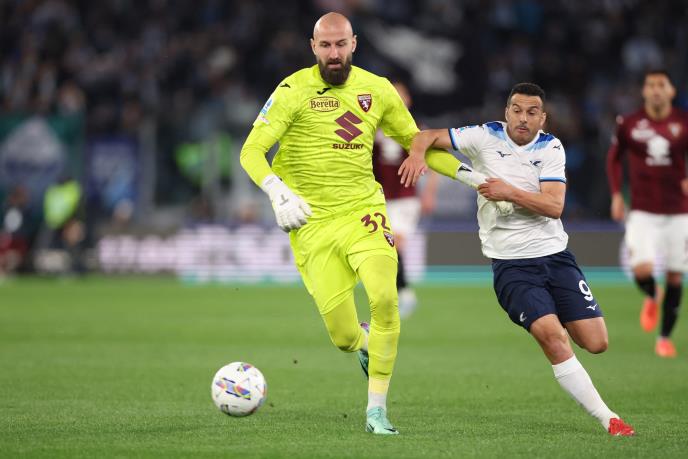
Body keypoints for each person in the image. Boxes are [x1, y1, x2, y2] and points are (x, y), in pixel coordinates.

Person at [239, 12, 490, 435]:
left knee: (385, 299)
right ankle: (364, 343)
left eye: (341, 44)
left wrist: (475, 178)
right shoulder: (291, 90)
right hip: (312, 223)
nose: (334, 53)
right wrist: (277, 191)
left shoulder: (378, 89)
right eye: (325, 45)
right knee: (343, 336)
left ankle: (376, 411)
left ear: (353, 43)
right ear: (313, 47)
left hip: (363, 211)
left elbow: (418, 143)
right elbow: (251, 151)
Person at [399, 82, 636, 436]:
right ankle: (609, 418)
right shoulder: (484, 136)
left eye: (531, 113)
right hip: (512, 266)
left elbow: (554, 206)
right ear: (506, 112)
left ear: (543, 118)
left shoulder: (551, 147)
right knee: (553, 337)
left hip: (556, 257)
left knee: (596, 342)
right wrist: (418, 154)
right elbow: (426, 136)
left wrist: (508, 192)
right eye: (517, 110)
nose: (523, 118)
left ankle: (557, 320)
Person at [606, 69, 688, 358]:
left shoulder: (683, 122)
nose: (655, 90)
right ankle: (654, 294)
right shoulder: (629, 123)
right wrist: (617, 194)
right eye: (650, 85)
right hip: (642, 210)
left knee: (675, 275)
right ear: (643, 91)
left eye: (661, 85)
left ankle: (664, 339)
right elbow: (613, 159)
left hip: (678, 211)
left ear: (671, 91)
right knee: (641, 270)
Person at [372, 81, 438, 319]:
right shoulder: (373, 126)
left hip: (405, 197)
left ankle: (404, 293)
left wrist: (429, 193)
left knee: (394, 244)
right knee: (382, 249)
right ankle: (395, 293)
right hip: (378, 198)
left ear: (408, 100)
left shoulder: (416, 129)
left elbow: (434, 162)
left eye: (401, 95)